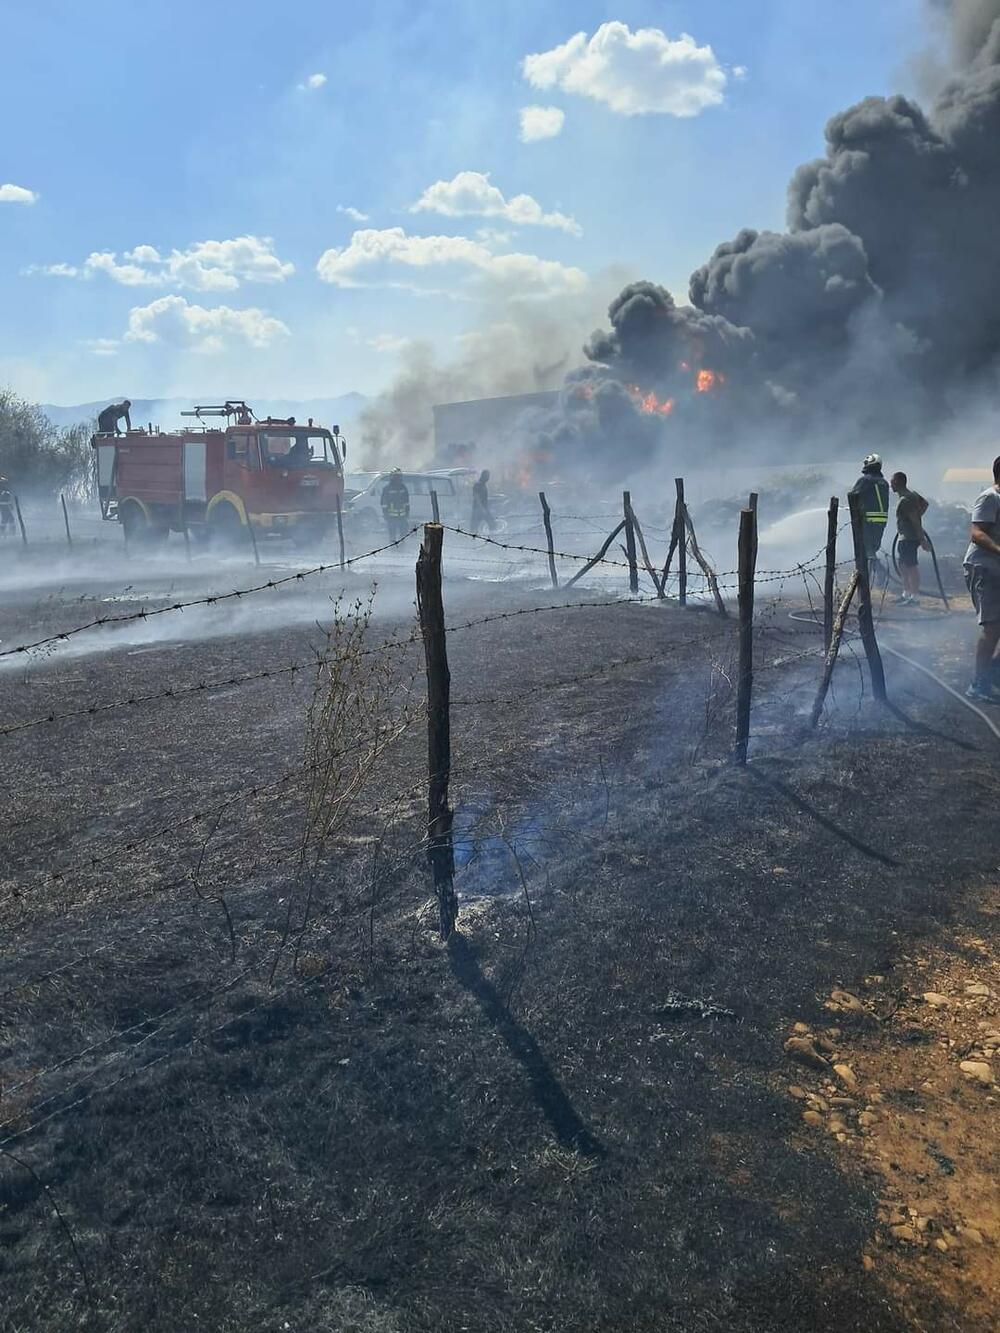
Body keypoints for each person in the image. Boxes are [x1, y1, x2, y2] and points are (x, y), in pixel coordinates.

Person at [963, 454, 1000, 702]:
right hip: (985, 568)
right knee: (993, 626)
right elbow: (976, 533)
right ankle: (978, 684)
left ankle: (992, 673)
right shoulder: (990, 497)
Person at [890, 471, 930, 605]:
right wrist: (918, 514)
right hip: (904, 536)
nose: (891, 484)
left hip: (908, 537)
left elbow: (914, 521)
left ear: (898, 482)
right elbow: (925, 504)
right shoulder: (912, 495)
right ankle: (906, 593)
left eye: (893, 481)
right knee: (903, 566)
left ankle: (915, 597)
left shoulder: (905, 500)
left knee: (911, 566)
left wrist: (922, 539)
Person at [850, 453, 890, 581]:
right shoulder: (883, 482)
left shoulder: (865, 480)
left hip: (867, 521)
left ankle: (875, 575)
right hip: (881, 522)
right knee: (872, 549)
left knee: (867, 552)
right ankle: (874, 577)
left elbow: (853, 495)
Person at [381, 469, 410, 541]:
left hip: (402, 516)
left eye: (399, 476)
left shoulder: (403, 487)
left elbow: (406, 502)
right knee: (392, 534)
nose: (398, 478)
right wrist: (385, 514)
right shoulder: (387, 488)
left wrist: (407, 512)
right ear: (392, 477)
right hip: (391, 517)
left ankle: (402, 547)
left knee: (403, 534)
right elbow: (383, 503)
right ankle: (393, 548)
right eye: (396, 476)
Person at [470, 469, 493, 535]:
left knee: (491, 523)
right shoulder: (478, 485)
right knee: (474, 527)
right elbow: (476, 497)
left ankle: (492, 537)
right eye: (487, 476)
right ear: (484, 476)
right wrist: (482, 509)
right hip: (478, 509)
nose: (488, 478)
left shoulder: (483, 485)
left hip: (483, 508)